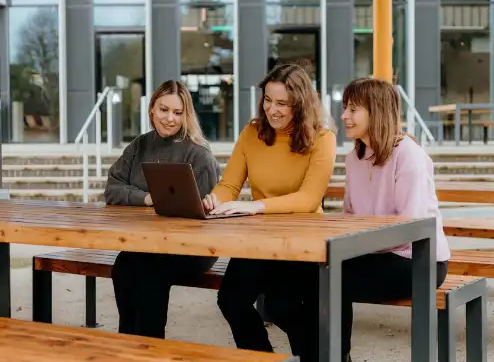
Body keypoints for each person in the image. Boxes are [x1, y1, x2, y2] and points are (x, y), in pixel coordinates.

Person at [265, 77, 452, 362]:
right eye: (345, 108)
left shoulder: (409, 156)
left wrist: (347, 250)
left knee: (326, 278)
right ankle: (321, 354)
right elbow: (351, 216)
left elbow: (410, 229)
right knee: (284, 286)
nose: (344, 116)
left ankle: (333, 355)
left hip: (416, 259)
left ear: (376, 111)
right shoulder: (355, 157)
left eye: (353, 109)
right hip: (370, 251)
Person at [201, 62, 337, 355]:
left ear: (300, 105)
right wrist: (214, 199)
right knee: (231, 299)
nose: (272, 109)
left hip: (305, 243)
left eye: (282, 103)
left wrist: (255, 207)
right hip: (261, 240)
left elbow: (308, 199)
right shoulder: (252, 133)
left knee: (281, 305)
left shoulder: (323, 139)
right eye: (267, 100)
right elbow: (229, 186)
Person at [104, 80, 220, 339]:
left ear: (186, 115)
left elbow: (210, 215)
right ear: (152, 109)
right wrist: (147, 199)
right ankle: (129, 342)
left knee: (147, 272)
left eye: (177, 113)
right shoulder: (139, 146)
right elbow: (112, 189)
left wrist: (209, 204)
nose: (169, 118)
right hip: (146, 243)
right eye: (163, 110)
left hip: (190, 247)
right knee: (123, 266)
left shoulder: (199, 155)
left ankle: (150, 345)